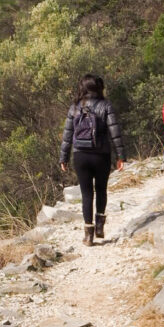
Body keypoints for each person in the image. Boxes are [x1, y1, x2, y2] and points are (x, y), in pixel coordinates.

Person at [59, 73, 125, 246]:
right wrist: (120, 156)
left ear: (82, 88)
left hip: (80, 155)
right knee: (101, 190)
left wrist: (63, 157)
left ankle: (88, 235)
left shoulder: (74, 107)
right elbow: (115, 132)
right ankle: (100, 227)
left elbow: (67, 135)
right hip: (101, 155)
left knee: (86, 194)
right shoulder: (105, 105)